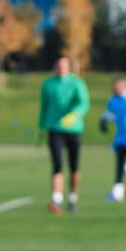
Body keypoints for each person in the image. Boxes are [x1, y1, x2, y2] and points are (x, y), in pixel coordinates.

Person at [38, 56, 90, 215]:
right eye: (58, 65)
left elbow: (84, 103)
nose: (61, 68)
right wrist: (41, 126)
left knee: (74, 167)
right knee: (57, 165)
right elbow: (44, 105)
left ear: (69, 67)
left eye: (64, 65)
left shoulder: (77, 83)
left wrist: (74, 115)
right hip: (55, 128)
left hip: (73, 129)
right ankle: (57, 199)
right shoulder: (48, 84)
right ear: (55, 66)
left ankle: (73, 197)